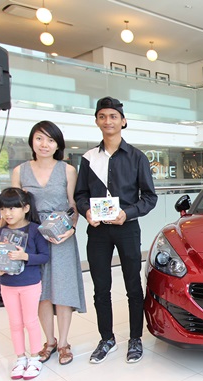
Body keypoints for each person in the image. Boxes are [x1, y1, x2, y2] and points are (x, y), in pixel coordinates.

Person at [74, 97, 158, 364]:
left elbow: (149, 198)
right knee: (101, 288)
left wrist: (127, 213)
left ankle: (135, 338)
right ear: (96, 121)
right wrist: (86, 211)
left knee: (133, 285)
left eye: (113, 116)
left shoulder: (137, 157)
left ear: (123, 121)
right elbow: (80, 195)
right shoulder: (88, 158)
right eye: (102, 116)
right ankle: (106, 339)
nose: (107, 121)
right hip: (98, 231)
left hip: (127, 228)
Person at [4, 121, 87, 366]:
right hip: (32, 237)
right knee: (40, 292)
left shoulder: (67, 170)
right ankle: (49, 341)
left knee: (62, 290)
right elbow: (12, 207)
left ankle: (63, 343)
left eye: (50, 140)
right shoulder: (20, 171)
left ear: (58, 145)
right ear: (32, 141)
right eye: (39, 138)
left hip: (61, 237)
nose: (44, 144)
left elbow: (73, 205)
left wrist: (72, 229)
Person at [0, 188, 50, 379]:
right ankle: (20, 358)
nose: (7, 213)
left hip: (30, 283)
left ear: (25, 208)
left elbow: (44, 256)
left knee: (30, 321)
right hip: (7, 284)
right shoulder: (0, 233)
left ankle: (35, 358)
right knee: (15, 323)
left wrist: (24, 256)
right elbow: (0, 258)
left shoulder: (35, 230)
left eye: (12, 208)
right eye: (3, 209)